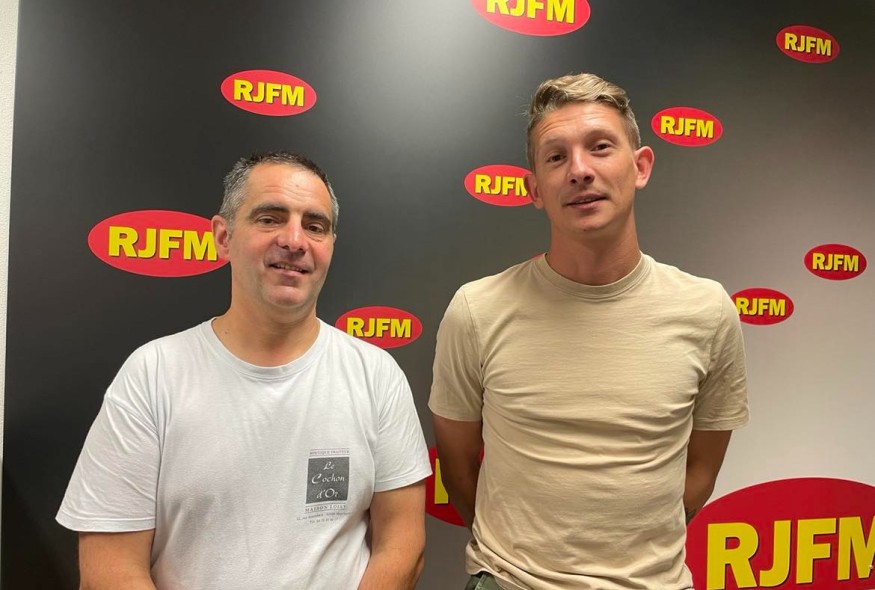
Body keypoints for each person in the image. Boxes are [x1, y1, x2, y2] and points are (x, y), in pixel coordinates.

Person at [429, 74, 749, 590]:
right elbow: (459, 469)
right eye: (556, 157)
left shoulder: (707, 311)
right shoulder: (477, 310)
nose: (579, 170)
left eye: (600, 147)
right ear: (535, 190)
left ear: (640, 166)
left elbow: (700, 474)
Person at [57, 151, 431, 590]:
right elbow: (110, 569)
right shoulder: (153, 375)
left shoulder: (377, 375)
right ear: (223, 237)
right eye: (270, 219)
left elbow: (402, 544)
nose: (295, 240)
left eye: (315, 226)